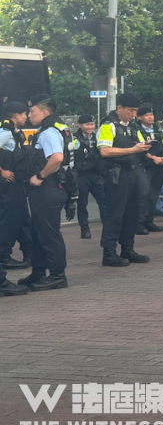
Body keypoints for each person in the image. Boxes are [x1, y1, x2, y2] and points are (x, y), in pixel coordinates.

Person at [19, 94, 72, 290]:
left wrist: (40, 177)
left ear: (44, 112)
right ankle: (38, 272)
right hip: (54, 187)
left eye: (31, 111)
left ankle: (57, 275)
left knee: (48, 234)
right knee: (39, 231)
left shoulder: (48, 132)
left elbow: (57, 158)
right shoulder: (59, 128)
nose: (29, 114)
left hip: (48, 187)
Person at [97, 93, 152, 268]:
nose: (134, 114)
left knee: (132, 213)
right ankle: (109, 252)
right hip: (116, 174)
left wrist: (145, 146)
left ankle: (127, 248)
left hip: (133, 172)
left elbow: (140, 146)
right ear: (119, 108)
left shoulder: (133, 126)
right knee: (115, 214)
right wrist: (132, 150)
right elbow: (105, 151)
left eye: (136, 111)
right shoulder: (108, 126)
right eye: (131, 110)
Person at [0, 102, 33, 269]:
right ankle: (4, 257)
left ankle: (29, 253)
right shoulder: (5, 133)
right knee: (9, 221)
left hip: (18, 183)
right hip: (9, 184)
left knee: (23, 219)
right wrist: (2, 172)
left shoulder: (14, 132)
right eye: (25, 114)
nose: (27, 117)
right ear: (16, 116)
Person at [135, 106, 163, 235]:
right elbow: (140, 148)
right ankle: (139, 223)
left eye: (151, 114)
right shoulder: (136, 130)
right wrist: (153, 158)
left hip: (158, 167)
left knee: (153, 196)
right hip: (144, 167)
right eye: (147, 115)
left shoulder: (158, 130)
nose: (150, 117)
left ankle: (149, 221)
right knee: (143, 195)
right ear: (139, 117)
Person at [73, 114, 107, 240]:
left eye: (92, 124)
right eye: (87, 124)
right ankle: (85, 229)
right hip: (82, 176)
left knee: (104, 201)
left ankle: (107, 226)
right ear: (79, 125)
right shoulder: (75, 139)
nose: (90, 127)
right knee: (82, 203)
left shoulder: (97, 137)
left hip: (97, 175)